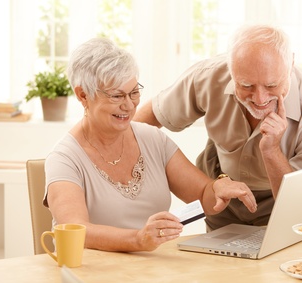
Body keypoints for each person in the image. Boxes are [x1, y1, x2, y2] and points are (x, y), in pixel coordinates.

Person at [43, 37, 257, 253]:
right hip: (90, 272)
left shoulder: (153, 139)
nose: (128, 105)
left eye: (134, 92)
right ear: (83, 95)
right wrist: (137, 239)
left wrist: (219, 188)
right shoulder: (64, 159)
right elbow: (75, 229)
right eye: (117, 95)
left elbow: (203, 196)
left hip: (149, 270)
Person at [134, 24, 302, 231]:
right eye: (246, 86)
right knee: (216, 262)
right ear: (230, 70)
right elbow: (151, 116)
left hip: (278, 200)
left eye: (271, 86)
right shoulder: (209, 76)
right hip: (220, 190)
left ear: (291, 64)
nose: (260, 99)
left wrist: (271, 150)